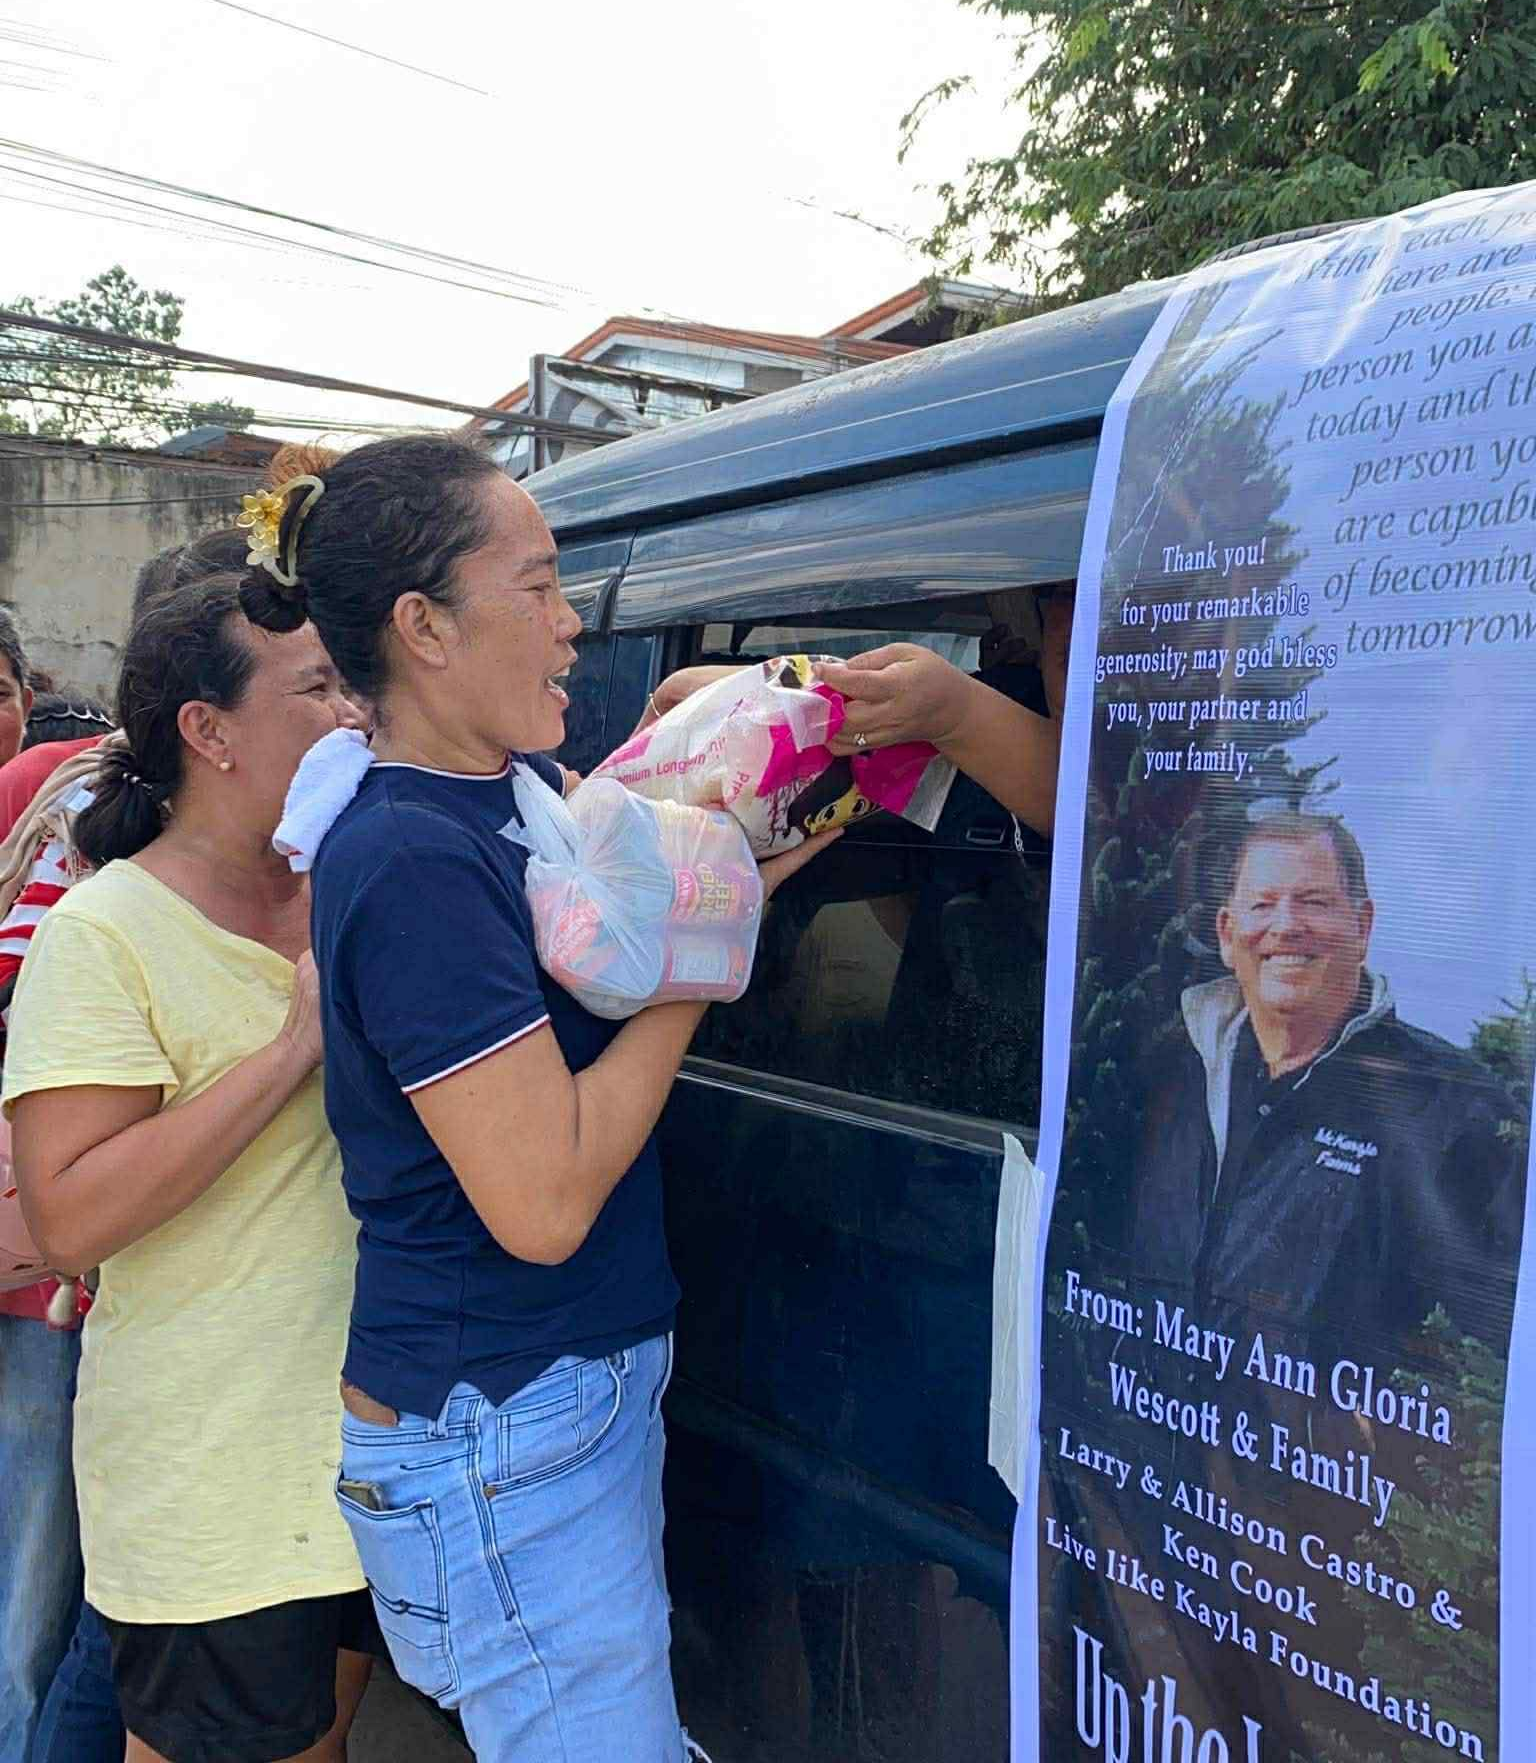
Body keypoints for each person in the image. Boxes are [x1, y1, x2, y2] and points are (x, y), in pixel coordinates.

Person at [236, 436, 834, 1763]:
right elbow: (548, 1198)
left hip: (535, 1409)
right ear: (425, 628)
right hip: (500, 1428)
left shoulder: (507, 796)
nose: (572, 624)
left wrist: (743, 850)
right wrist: (704, 957)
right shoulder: (408, 857)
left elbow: (616, 927)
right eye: (542, 586)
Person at [5, 575, 378, 1763]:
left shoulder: (357, 885)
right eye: (316, 687)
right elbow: (68, 1216)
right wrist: (290, 1051)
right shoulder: (110, 928)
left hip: (369, 1455)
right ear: (207, 732)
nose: (351, 713)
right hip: (212, 1478)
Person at [1129, 810, 1523, 1354]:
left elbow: (1482, 1361)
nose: (1287, 926)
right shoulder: (1165, 1074)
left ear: (1362, 927)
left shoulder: (1456, 1107)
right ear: (1226, 934)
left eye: (1314, 901)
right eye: (1263, 904)